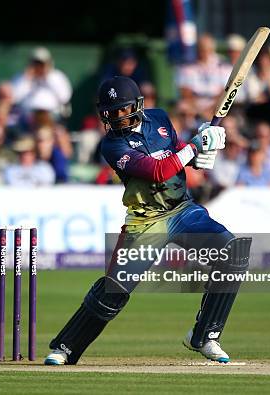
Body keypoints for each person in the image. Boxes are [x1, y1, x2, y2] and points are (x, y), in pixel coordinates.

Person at [44, 76, 252, 365]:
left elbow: (175, 149)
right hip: (145, 221)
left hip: (182, 210)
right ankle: (65, 347)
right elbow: (156, 171)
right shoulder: (112, 146)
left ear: (138, 105)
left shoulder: (159, 118)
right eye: (111, 112)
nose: (117, 117)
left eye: (122, 110)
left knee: (233, 252)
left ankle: (205, 336)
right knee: (115, 290)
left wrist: (199, 152)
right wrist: (193, 147)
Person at [11, 47, 72, 120]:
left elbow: (64, 97)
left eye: (41, 63)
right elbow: (14, 98)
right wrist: (26, 79)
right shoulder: (21, 77)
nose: (38, 66)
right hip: (26, 117)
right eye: (36, 63)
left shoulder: (57, 76)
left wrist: (47, 76)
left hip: (52, 117)